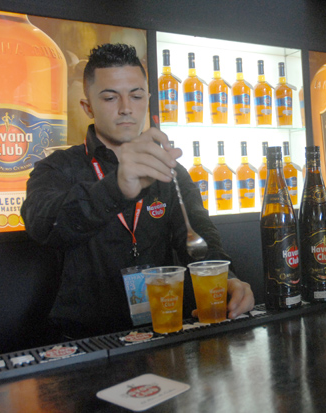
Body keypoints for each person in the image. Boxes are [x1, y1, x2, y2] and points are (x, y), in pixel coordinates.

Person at [21, 43, 254, 340]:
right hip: (86, 339)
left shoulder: (168, 170)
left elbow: (197, 236)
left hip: (162, 330)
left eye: (136, 95)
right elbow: (43, 224)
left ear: (148, 100)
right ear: (87, 106)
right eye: (110, 97)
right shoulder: (57, 167)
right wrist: (116, 187)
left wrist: (226, 278)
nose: (126, 108)